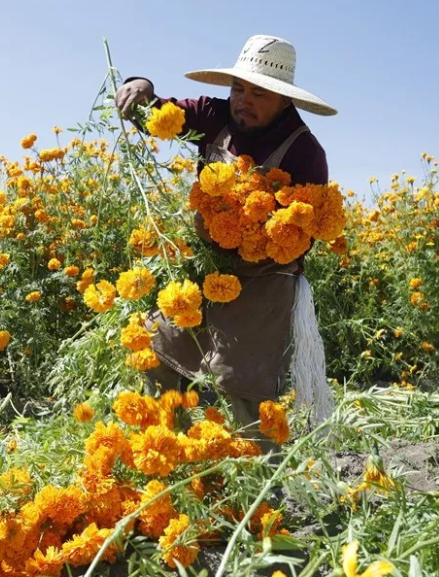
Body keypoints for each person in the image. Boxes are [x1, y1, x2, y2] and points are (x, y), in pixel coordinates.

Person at [114, 35, 337, 449]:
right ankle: (168, 453)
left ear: (285, 101)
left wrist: (260, 231)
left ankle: (258, 490)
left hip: (267, 279)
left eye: (259, 93)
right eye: (239, 88)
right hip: (206, 265)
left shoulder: (305, 152)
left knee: (243, 387)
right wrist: (140, 83)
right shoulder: (214, 115)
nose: (243, 101)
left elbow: (307, 235)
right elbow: (159, 112)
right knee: (159, 349)